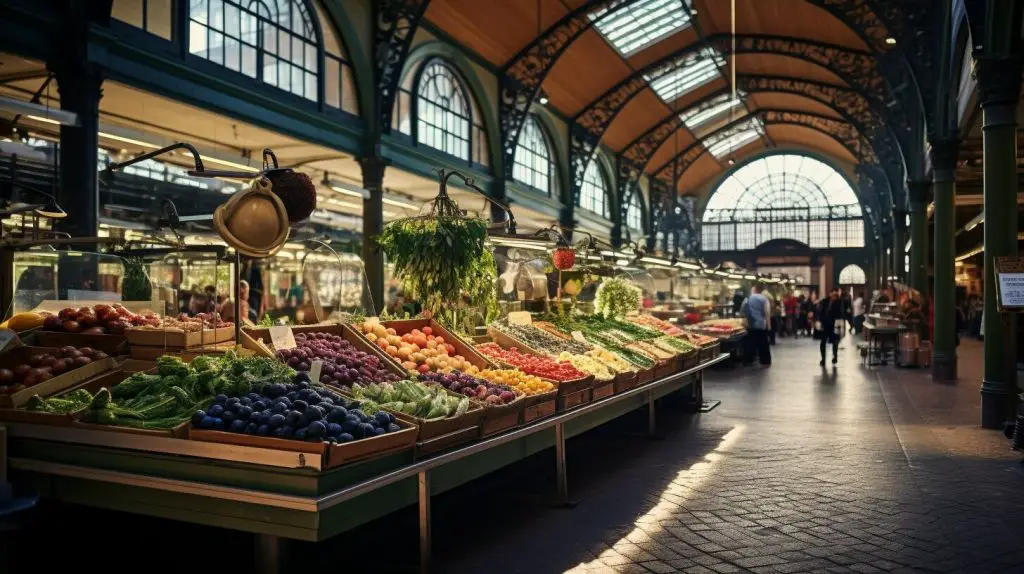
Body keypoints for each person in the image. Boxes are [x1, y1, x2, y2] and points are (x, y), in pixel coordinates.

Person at [741, 284, 772, 366]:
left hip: (750, 324)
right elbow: (767, 313)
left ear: (754, 290)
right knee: (763, 343)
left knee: (750, 343)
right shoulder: (764, 299)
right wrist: (768, 326)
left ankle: (748, 360)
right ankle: (765, 360)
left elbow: (742, 311)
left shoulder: (747, 299)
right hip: (761, 324)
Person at [816, 288, 844, 366]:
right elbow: (820, 311)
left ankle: (835, 356)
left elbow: (840, 313)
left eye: (836, 295)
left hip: (834, 324)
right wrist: (820, 321)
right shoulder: (825, 301)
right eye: (833, 294)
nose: (834, 296)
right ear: (830, 293)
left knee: (835, 342)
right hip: (825, 324)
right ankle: (823, 359)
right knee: (823, 342)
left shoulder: (839, 302)